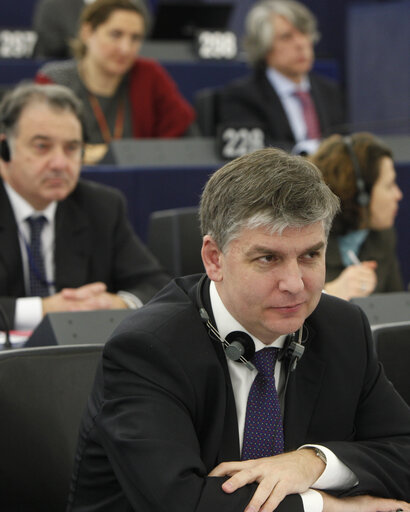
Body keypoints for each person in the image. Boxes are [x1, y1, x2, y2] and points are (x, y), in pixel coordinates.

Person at [67, 147, 410, 512]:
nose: (295, 283)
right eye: (268, 258)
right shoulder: (148, 349)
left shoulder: (342, 328)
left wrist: (312, 462)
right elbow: (182, 502)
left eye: (310, 255)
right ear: (215, 259)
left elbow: (403, 451)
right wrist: (328, 507)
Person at [0, 82, 170, 332]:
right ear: (5, 149)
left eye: (71, 148)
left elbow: (156, 285)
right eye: (42, 147)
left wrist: (116, 303)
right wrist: (43, 311)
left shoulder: (101, 206)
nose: (59, 163)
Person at [34, 0, 195, 163]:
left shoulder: (149, 74)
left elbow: (186, 137)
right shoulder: (55, 81)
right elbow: (43, 147)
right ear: (87, 32)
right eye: (116, 35)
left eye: (135, 38)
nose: (125, 48)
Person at [218, 0, 344, 153]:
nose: (301, 43)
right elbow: (254, 155)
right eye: (286, 37)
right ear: (263, 47)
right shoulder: (242, 97)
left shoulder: (329, 91)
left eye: (304, 33)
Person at [310, 132, 404, 301]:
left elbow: (394, 310)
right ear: (361, 195)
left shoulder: (383, 236)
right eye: (389, 185)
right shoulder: (306, 238)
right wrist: (329, 293)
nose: (398, 195)